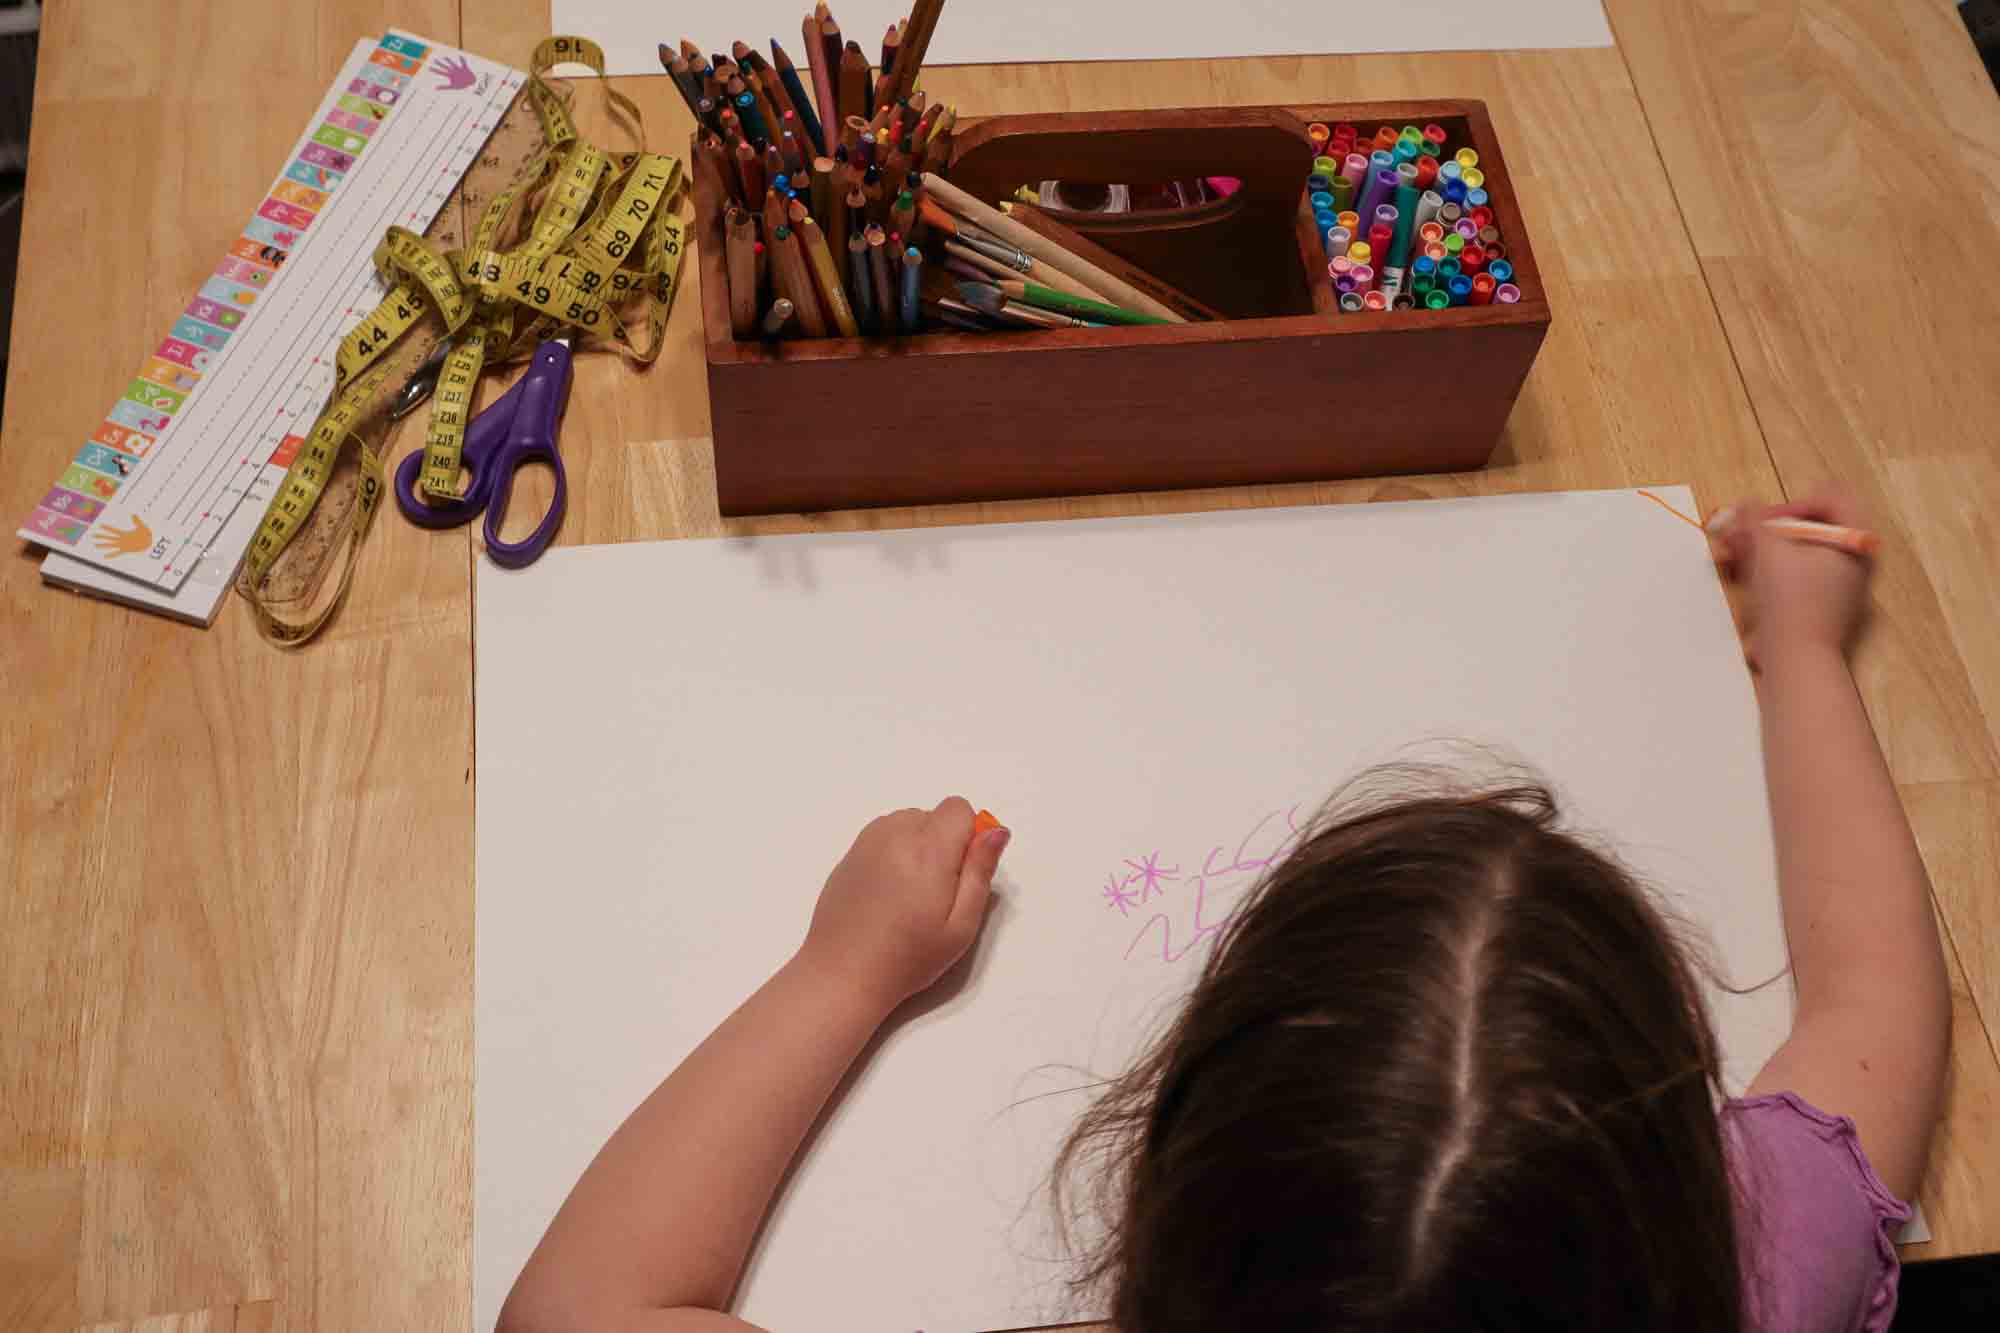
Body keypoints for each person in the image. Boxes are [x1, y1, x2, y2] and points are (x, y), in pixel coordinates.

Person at [497, 493, 1947, 1333]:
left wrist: (839, 974)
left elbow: (571, 1315)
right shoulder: (1761, 1276)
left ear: (1152, 1179)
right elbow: (1873, 995)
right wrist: (1803, 645)